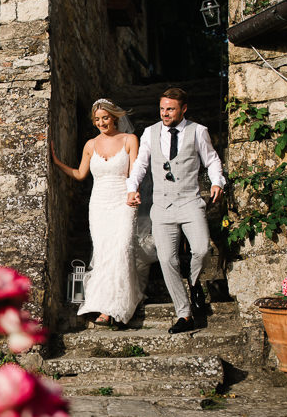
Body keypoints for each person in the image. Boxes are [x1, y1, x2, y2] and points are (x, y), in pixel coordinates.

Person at [126, 88, 225, 334]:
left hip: (190, 202)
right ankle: (184, 313)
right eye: (162, 109)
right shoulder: (150, 132)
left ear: (183, 109)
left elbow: (212, 160)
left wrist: (216, 181)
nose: (165, 113)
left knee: (201, 250)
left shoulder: (198, 131)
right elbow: (140, 163)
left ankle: (193, 283)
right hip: (162, 205)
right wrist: (132, 187)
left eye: (170, 109)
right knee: (167, 259)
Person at [50, 99, 145, 326]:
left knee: (121, 248)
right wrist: (55, 162)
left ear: (114, 117)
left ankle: (119, 305)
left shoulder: (129, 140)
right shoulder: (90, 145)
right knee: (103, 252)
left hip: (123, 201)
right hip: (99, 204)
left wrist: (134, 193)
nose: (101, 122)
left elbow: (136, 172)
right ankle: (104, 305)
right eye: (97, 119)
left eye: (105, 117)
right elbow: (81, 174)